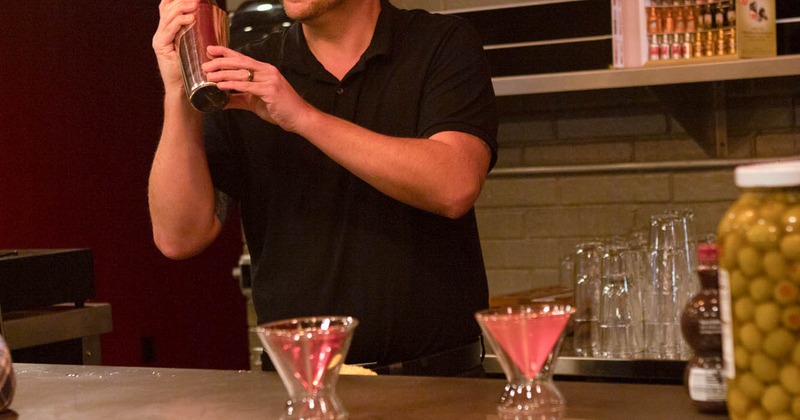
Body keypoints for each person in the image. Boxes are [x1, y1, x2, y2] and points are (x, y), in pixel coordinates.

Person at [149, 0, 498, 376]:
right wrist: (177, 91)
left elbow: (454, 186)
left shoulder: (440, 44)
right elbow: (178, 237)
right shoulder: (249, 69)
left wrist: (302, 117)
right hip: (299, 386)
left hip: (438, 384)